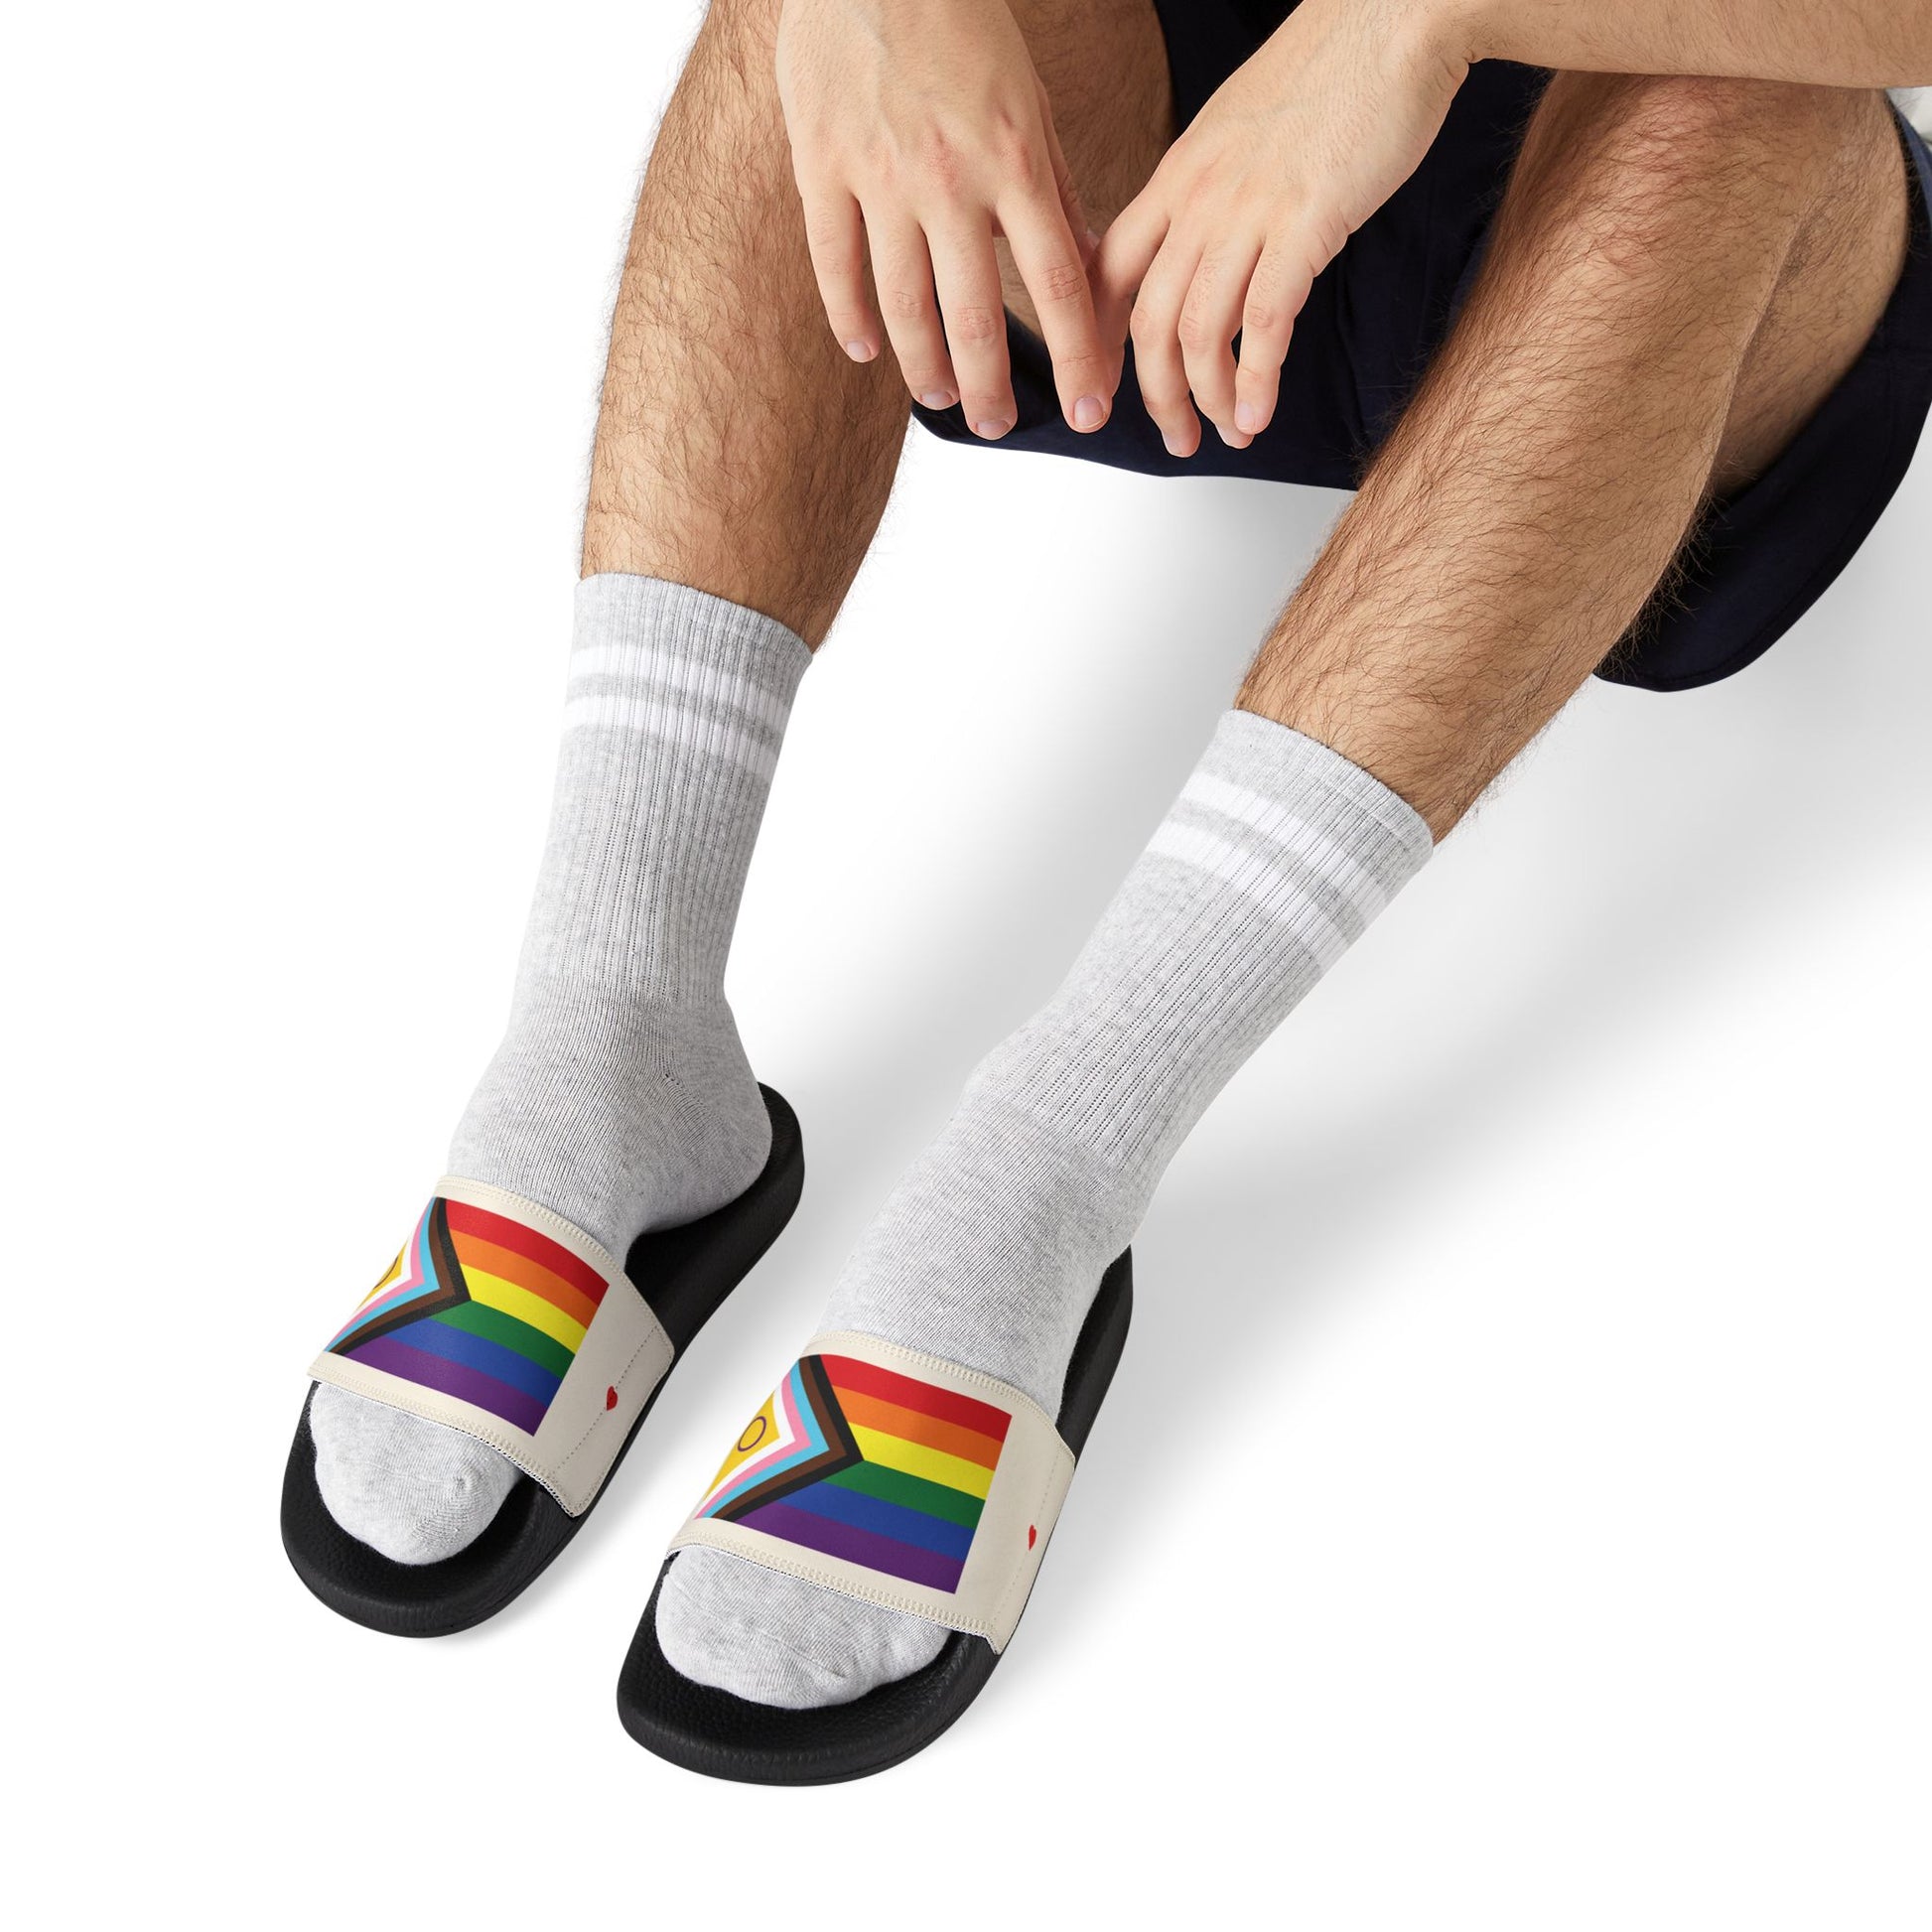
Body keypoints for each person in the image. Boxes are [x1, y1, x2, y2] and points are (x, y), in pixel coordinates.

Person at [294, 0, 1932, 1720]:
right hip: (1196, 200)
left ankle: (1043, 1163)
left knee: (1720, 106)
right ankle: (615, 1024)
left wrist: (1410, 26)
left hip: (1676, 236)